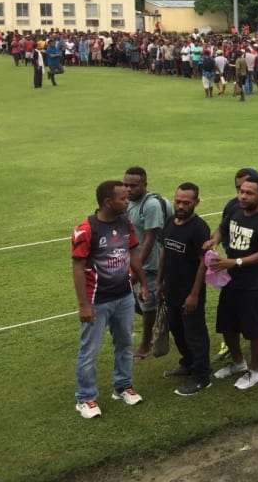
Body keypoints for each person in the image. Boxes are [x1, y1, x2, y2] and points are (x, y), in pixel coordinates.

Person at [72, 180, 148, 418]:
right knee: (90, 351)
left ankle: (122, 386)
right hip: (97, 301)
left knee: (125, 344)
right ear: (108, 202)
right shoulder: (86, 230)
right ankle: (85, 398)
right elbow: (78, 267)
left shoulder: (126, 222)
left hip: (124, 296)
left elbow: (132, 253)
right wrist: (83, 304)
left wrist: (144, 283)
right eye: (123, 199)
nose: (128, 201)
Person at [203, 175, 258, 390]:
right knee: (227, 325)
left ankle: (255, 370)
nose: (243, 196)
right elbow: (222, 228)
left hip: (255, 283)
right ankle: (238, 362)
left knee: (254, 330)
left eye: (249, 193)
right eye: (241, 191)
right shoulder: (235, 210)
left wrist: (233, 262)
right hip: (231, 281)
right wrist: (215, 239)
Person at [156, 182, 212, 396]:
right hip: (171, 289)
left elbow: (203, 262)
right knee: (177, 330)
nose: (180, 205)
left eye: (186, 202)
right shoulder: (170, 221)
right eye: (178, 201)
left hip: (190, 293)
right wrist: (160, 281)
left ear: (196, 202)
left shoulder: (199, 228)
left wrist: (195, 294)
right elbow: (164, 251)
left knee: (195, 334)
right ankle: (188, 364)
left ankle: (202, 377)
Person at [123, 166, 169, 360]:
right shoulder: (130, 203)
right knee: (136, 303)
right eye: (126, 185)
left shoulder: (150, 206)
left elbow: (151, 238)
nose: (128, 189)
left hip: (152, 266)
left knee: (147, 304)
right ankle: (164, 321)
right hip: (138, 262)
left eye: (133, 185)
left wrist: (137, 269)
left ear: (145, 184)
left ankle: (145, 344)